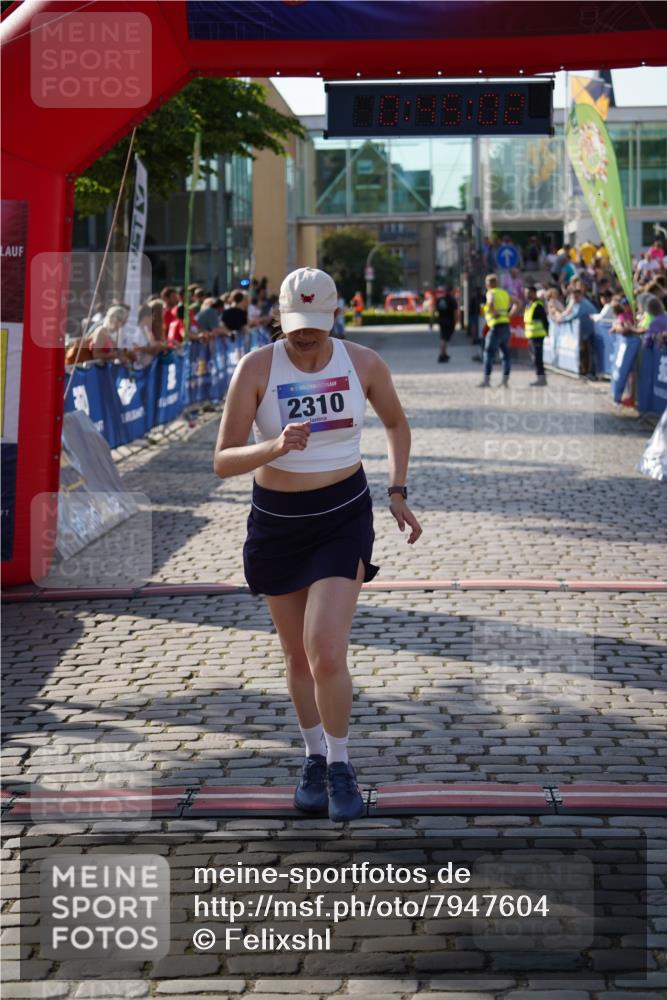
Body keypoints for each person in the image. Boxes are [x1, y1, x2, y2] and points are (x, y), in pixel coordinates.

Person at [213, 267, 422, 823]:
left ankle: (341, 763)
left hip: (342, 516)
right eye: (295, 325)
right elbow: (222, 459)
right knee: (296, 657)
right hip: (278, 521)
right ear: (280, 318)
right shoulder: (256, 368)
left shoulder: (363, 364)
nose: (305, 336)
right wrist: (272, 446)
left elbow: (397, 425)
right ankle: (312, 756)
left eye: (316, 325)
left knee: (325, 650)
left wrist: (397, 489)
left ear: (333, 316)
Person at [554, 285, 598, 379]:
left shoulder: (583, 304)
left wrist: (561, 320)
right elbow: (570, 313)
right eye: (573, 297)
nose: (574, 298)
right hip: (585, 331)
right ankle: (585, 371)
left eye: (576, 296)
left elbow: (575, 315)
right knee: (584, 352)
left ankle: (591, 373)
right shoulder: (577, 303)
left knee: (589, 353)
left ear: (580, 295)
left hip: (591, 331)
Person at [479, 274, 512, 388]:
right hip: (506, 326)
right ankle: (505, 380)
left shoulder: (491, 292)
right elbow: (517, 302)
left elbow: (490, 302)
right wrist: (509, 314)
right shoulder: (504, 293)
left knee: (488, 353)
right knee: (505, 354)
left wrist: (492, 311)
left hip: (495, 327)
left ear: (488, 284)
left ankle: (486, 380)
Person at [521, 284, 549, 386]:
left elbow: (545, 321)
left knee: (538, 358)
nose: (526, 295)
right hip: (531, 336)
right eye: (525, 293)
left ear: (534, 293)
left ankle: (541, 379)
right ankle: (540, 378)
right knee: (535, 359)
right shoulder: (530, 305)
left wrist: (547, 332)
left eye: (528, 293)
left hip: (538, 336)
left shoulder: (538, 305)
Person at [433, 286, 459, 363]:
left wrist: (433, 320)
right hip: (450, 322)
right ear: (451, 291)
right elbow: (455, 312)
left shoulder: (440, 299)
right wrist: (456, 322)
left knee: (444, 338)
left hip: (441, 321)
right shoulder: (452, 300)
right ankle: (442, 355)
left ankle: (444, 353)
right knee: (444, 339)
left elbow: (434, 310)